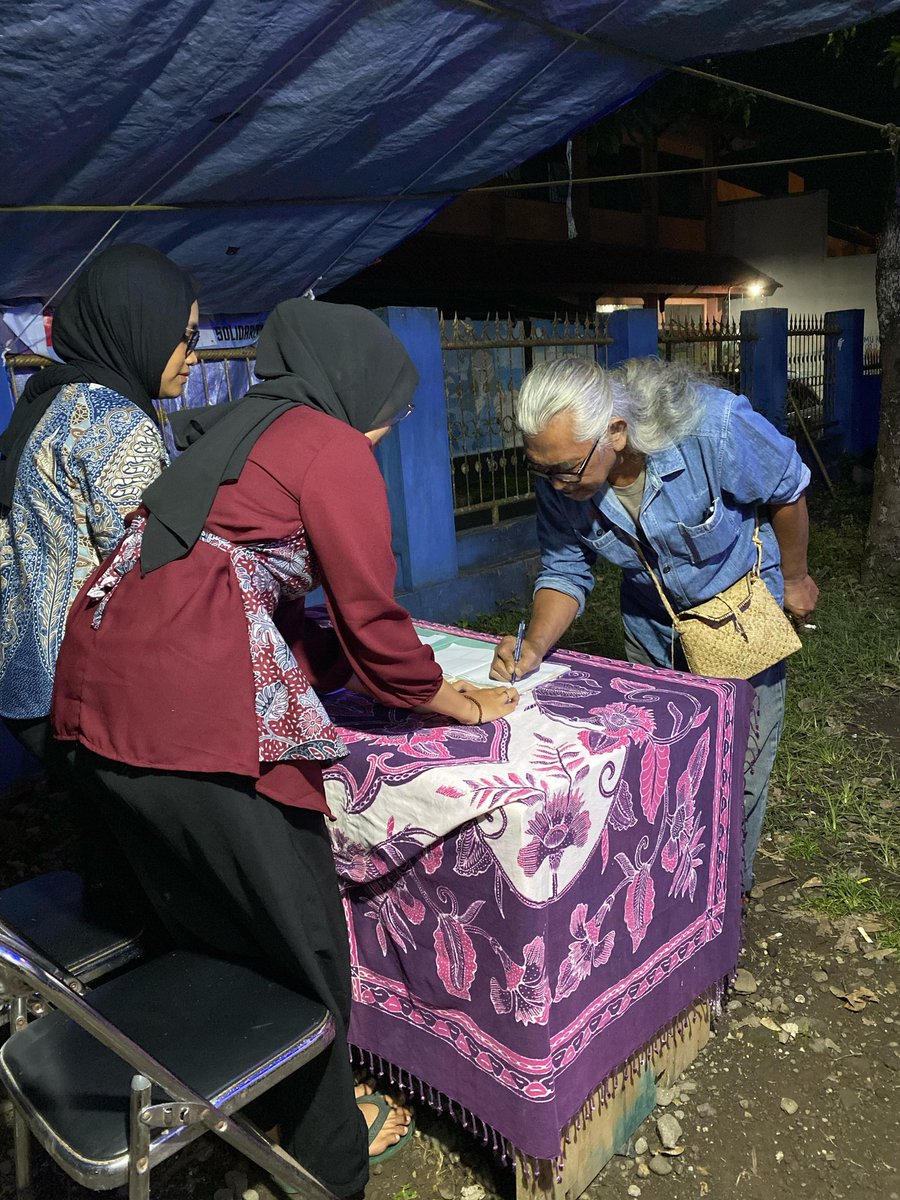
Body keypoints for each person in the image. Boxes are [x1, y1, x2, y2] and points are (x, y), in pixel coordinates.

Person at [52, 298, 520, 1197]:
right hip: (187, 714)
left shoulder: (237, 427)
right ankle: (326, 1156)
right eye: (391, 415)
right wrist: (445, 697)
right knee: (303, 938)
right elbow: (372, 618)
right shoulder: (327, 442)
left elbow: (249, 583)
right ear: (359, 385)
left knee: (209, 918)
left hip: (102, 697)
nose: (385, 436)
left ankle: (243, 1100)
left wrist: (359, 674)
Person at [489, 355, 819, 895]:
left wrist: (798, 576)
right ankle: (672, 900)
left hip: (738, 622)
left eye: (567, 468)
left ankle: (723, 907)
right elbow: (565, 567)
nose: (555, 483)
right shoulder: (563, 476)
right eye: (541, 469)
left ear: (615, 432)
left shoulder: (714, 426)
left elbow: (787, 487)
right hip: (652, 625)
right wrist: (534, 647)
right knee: (662, 769)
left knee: (739, 772)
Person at [0, 242, 198, 771]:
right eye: (185, 337)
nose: (193, 356)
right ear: (141, 324)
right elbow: (147, 565)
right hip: (77, 686)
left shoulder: (53, 398)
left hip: (23, 673)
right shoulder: (117, 423)